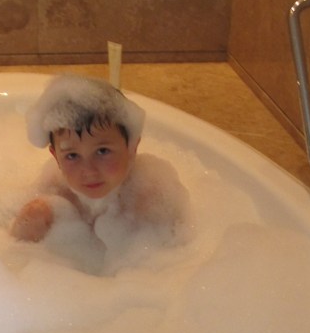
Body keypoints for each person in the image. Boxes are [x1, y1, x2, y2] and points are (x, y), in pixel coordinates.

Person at [10, 75, 188, 244]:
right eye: (72, 156)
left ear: (132, 148)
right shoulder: (55, 191)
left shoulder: (150, 197)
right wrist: (31, 222)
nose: (89, 171)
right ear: (56, 157)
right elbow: (15, 251)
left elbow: (178, 251)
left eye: (102, 151)